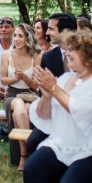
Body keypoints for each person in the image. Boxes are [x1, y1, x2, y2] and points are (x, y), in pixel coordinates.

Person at [24, 31, 92, 183]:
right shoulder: (66, 78)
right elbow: (44, 116)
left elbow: (79, 109)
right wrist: (47, 96)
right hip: (62, 143)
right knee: (32, 169)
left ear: (90, 56)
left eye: (74, 50)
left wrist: (53, 87)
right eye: (68, 49)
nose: (67, 53)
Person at [26, 12, 78, 154]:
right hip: (55, 113)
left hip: (82, 112)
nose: (47, 32)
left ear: (66, 31)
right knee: (32, 143)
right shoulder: (49, 57)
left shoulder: (86, 53)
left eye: (51, 29)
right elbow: (41, 91)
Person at [0, 23, 41, 171]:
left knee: (26, 110)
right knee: (18, 105)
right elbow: (3, 80)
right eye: (15, 35)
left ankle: (26, 154)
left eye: (20, 36)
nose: (16, 39)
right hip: (12, 95)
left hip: (30, 95)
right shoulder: (7, 55)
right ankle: (26, 154)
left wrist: (25, 77)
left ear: (28, 38)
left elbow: (36, 86)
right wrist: (15, 79)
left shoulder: (36, 57)